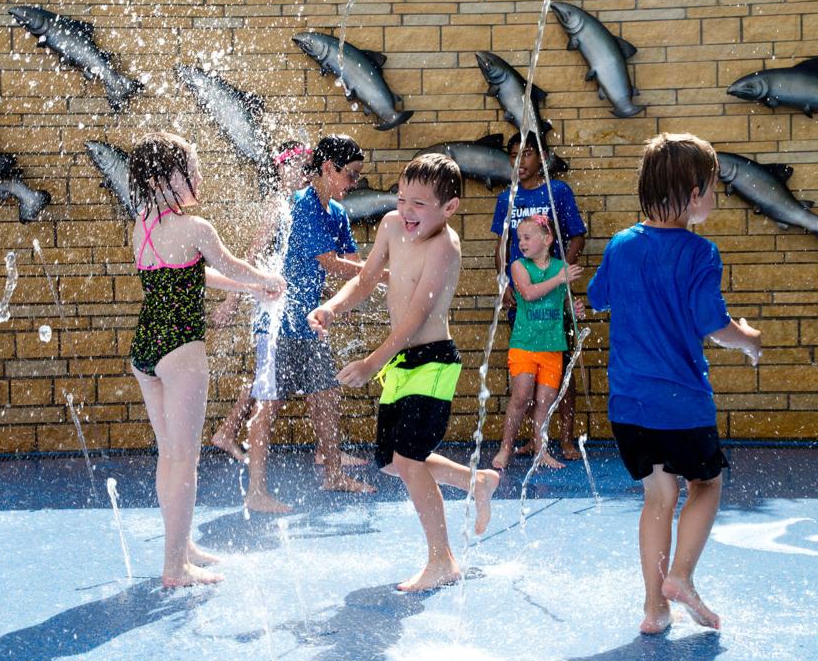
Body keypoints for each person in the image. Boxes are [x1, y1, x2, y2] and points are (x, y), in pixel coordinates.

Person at [586, 132, 762, 634]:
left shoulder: (622, 245)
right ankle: (680, 577)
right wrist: (748, 339)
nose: (714, 197)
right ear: (690, 191)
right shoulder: (699, 253)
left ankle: (654, 608)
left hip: (629, 405)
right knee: (706, 483)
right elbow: (714, 325)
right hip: (681, 402)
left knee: (657, 499)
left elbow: (598, 297)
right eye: (711, 187)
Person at [308, 153, 499, 592]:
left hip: (433, 361)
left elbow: (415, 318)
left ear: (449, 208)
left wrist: (370, 363)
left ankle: (442, 560)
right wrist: (332, 308)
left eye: (419, 204)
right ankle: (478, 482)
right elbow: (368, 278)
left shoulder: (444, 248)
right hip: (401, 362)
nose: (406, 210)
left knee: (410, 460)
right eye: (401, 198)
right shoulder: (392, 226)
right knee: (393, 462)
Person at [127, 131, 285, 588]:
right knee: (186, 459)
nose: (199, 175)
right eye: (190, 168)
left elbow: (196, 275)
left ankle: (181, 544)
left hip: (146, 349)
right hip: (181, 348)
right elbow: (230, 263)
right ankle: (175, 567)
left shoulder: (143, 225)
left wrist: (251, 288)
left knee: (169, 454)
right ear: (165, 177)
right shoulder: (196, 228)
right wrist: (266, 278)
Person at [244, 135, 376, 514]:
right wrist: (382, 274)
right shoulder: (301, 206)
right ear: (327, 168)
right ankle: (256, 491)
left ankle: (334, 473)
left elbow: (351, 259)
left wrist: (352, 295)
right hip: (277, 320)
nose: (353, 183)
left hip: (308, 321)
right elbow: (331, 262)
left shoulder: (336, 211)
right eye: (349, 175)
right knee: (268, 405)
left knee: (325, 396)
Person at [209, 141, 311, 461]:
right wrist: (231, 301)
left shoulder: (296, 205)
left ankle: (228, 432)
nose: (305, 173)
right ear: (281, 167)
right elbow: (250, 257)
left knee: (274, 373)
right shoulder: (276, 205)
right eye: (297, 165)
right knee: (269, 375)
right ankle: (227, 433)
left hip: (281, 303)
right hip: (270, 305)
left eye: (307, 166)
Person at [491, 131, 586, 461]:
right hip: (523, 296)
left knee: (560, 368)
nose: (521, 161)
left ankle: (565, 439)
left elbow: (577, 236)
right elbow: (501, 245)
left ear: (543, 158)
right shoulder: (508, 197)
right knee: (527, 372)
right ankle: (535, 441)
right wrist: (504, 284)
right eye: (515, 154)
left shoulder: (558, 191)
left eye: (527, 154)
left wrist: (558, 277)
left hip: (553, 295)